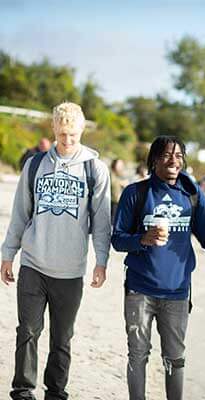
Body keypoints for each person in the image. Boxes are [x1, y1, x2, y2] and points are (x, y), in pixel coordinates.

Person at [111, 135, 205, 400]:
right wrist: (142, 239)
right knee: (137, 354)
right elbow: (117, 239)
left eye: (179, 155)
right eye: (167, 155)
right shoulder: (136, 193)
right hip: (139, 290)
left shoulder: (191, 195)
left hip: (177, 292)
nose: (173, 160)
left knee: (175, 358)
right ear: (154, 159)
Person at [1, 102, 111, 400]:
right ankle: (23, 391)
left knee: (62, 339)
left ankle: (56, 393)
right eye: (62, 134)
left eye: (73, 135)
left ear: (82, 131)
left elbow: (101, 222)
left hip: (70, 270)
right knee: (27, 332)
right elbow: (20, 214)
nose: (67, 141)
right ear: (53, 129)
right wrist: (8, 254)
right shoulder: (35, 165)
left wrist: (101, 261)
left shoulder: (95, 169)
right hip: (33, 264)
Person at [111, 158, 129, 223]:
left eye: (122, 165)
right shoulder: (110, 174)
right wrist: (120, 183)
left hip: (117, 203)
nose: (121, 167)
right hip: (112, 202)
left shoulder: (120, 176)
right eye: (119, 165)